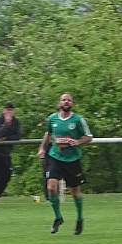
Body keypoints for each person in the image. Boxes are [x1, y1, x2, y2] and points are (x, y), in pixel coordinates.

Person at [37, 93, 93, 235]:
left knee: (75, 192)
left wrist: (78, 142)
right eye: (63, 100)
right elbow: (48, 134)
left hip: (72, 160)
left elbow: (88, 137)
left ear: (72, 103)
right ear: (59, 103)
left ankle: (80, 218)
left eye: (69, 100)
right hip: (55, 157)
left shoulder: (78, 120)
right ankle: (58, 217)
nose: (66, 102)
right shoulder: (52, 119)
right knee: (51, 187)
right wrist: (42, 148)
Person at [0, 102, 22, 204]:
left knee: (7, 174)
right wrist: (6, 125)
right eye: (7, 109)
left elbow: (18, 136)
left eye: (11, 110)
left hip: (6, 153)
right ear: (4, 110)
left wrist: (6, 138)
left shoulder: (16, 122)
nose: (9, 112)